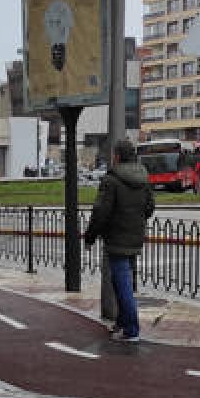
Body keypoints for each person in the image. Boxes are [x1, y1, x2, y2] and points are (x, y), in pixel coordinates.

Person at [84, 139, 155, 342]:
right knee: (120, 280)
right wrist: (136, 220)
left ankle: (131, 329)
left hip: (116, 238)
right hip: (135, 236)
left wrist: (90, 236)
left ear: (116, 156)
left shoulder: (111, 180)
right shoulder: (143, 177)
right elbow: (150, 207)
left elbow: (100, 212)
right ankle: (123, 323)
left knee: (122, 282)